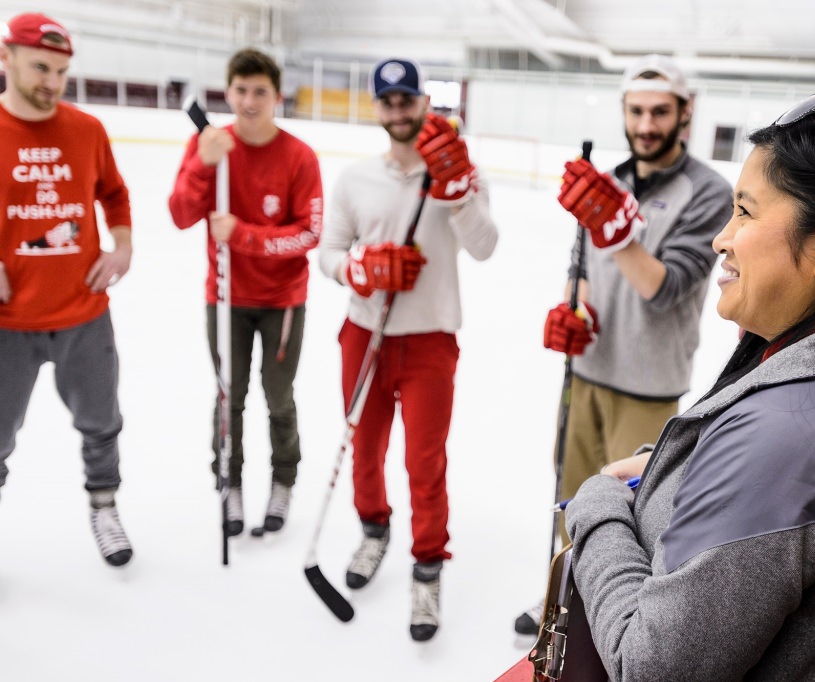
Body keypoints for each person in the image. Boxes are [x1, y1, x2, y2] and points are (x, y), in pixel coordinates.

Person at [562, 96, 815, 679]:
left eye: (746, 213)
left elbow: (649, 667)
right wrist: (683, 467)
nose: (721, 240)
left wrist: (596, 500)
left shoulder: (788, 438)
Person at [516, 53, 733, 634]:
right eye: (635, 111)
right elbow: (579, 264)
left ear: (685, 114)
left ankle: (608, 623)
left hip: (648, 383)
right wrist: (572, 307)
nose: (646, 124)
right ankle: (558, 604)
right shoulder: (607, 180)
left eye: (660, 111)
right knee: (570, 497)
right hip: (586, 371)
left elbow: (665, 289)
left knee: (632, 518)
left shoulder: (709, 192)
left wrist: (615, 230)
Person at [318, 57, 497, 642]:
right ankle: (374, 531)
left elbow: (486, 246)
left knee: (425, 460)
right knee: (364, 449)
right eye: (388, 100)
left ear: (424, 103)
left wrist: (457, 193)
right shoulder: (354, 179)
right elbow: (327, 255)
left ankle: (427, 566)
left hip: (429, 342)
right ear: (378, 107)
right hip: (364, 334)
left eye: (407, 99)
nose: (398, 109)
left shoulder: (458, 172)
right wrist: (361, 268)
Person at [168, 48, 322, 536]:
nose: (249, 100)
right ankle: (228, 482)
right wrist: (201, 166)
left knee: (279, 398)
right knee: (228, 396)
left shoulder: (299, 156)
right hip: (225, 296)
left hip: (282, 301)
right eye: (240, 90)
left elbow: (309, 233)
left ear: (277, 96)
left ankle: (283, 479)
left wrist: (245, 235)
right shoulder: (210, 145)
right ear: (228, 91)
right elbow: (180, 215)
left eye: (260, 91)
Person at [0, 13, 134, 566]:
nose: (51, 82)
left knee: (101, 423)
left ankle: (104, 505)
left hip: (83, 314)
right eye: (40, 67)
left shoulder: (85, 130)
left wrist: (121, 245)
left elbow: (115, 192)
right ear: (6, 57)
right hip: (9, 323)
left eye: (60, 71)